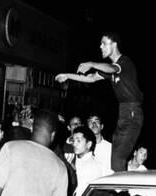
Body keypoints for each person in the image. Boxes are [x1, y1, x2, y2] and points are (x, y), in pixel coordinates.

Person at [55, 32, 144, 172]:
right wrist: (68, 76)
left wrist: (91, 63)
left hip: (132, 111)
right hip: (124, 111)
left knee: (118, 158)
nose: (100, 46)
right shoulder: (112, 68)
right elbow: (91, 78)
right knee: (115, 156)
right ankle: (120, 188)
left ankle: (120, 192)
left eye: (104, 43)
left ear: (114, 44)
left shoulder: (124, 62)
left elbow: (112, 68)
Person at [71, 126, 104, 196]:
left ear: (89, 144)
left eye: (78, 141)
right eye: (73, 140)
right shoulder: (75, 160)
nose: (74, 144)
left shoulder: (92, 166)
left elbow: (81, 194)